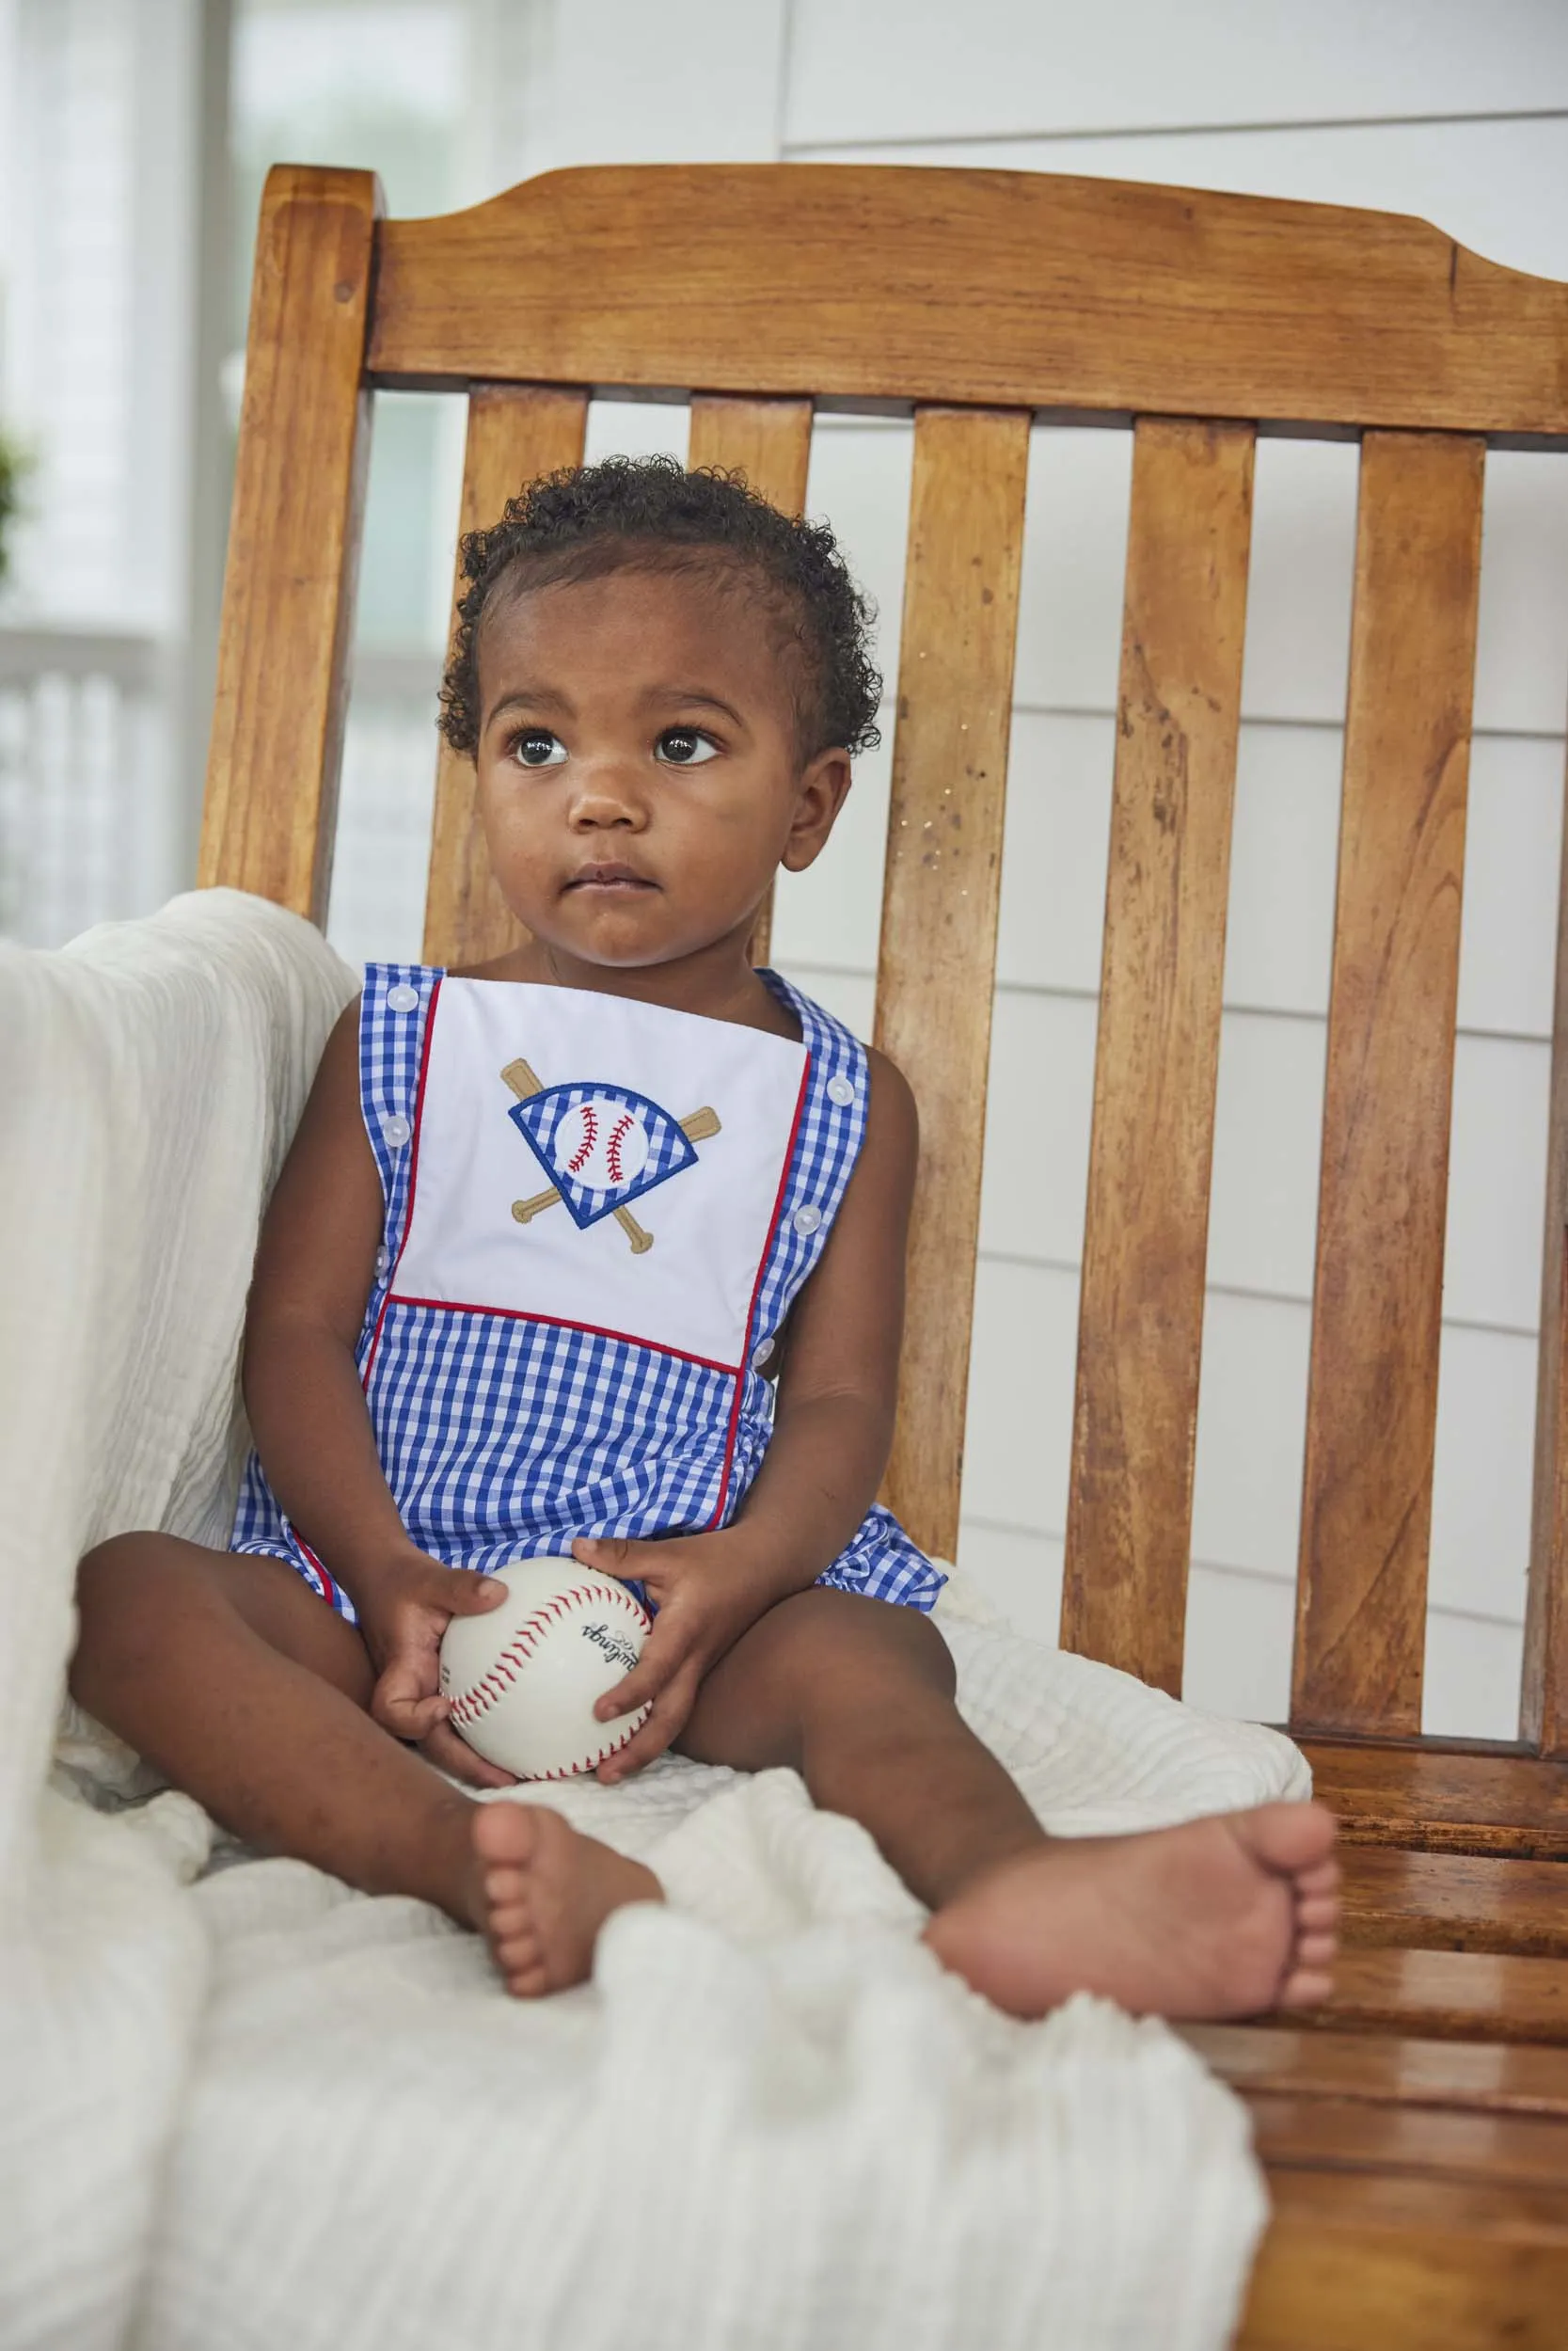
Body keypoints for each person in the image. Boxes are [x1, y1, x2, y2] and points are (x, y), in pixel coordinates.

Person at [70, 457, 1338, 2020]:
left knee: (874, 1658)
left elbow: (836, 1404)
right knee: (129, 1596)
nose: (601, 794)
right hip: (376, 1594)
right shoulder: (399, 1035)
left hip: (685, 1617)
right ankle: (472, 1859)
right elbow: (297, 1335)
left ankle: (1019, 1885)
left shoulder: (842, 1100)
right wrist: (382, 1568)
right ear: (479, 774)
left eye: (680, 742)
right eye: (537, 742)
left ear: (807, 804)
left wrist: (742, 1574)